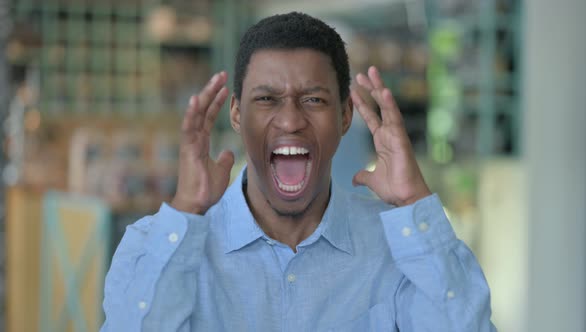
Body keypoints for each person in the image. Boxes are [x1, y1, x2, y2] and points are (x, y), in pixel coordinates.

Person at [101, 12, 495, 331]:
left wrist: (414, 201)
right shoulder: (155, 245)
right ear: (237, 114)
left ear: (345, 116)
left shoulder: (400, 248)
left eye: (313, 99)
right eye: (267, 99)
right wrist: (186, 211)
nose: (290, 120)